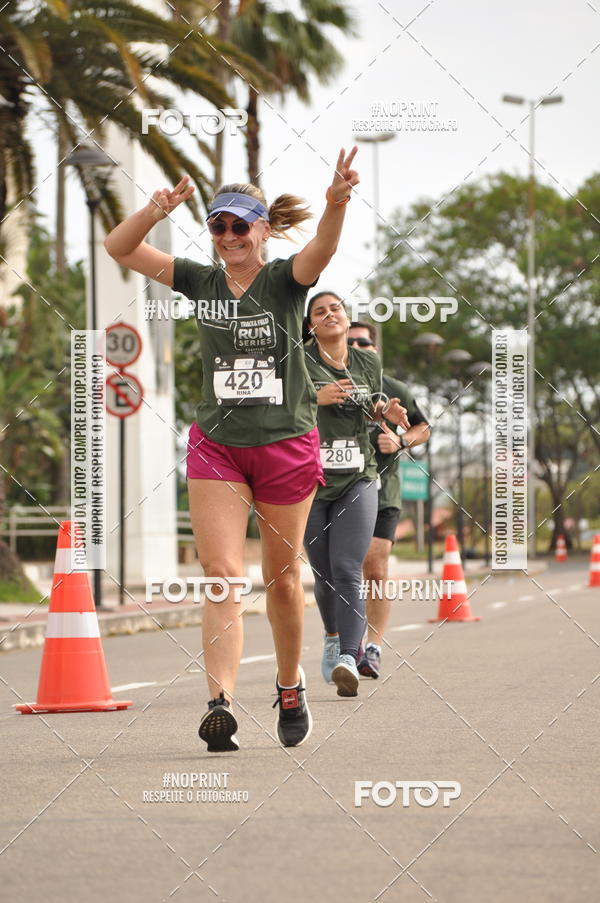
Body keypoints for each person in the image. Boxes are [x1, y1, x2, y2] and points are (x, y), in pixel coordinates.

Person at [104, 147, 360, 751]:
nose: (227, 236)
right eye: (218, 225)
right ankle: (219, 700)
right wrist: (154, 209)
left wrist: (336, 202)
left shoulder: (284, 280)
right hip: (217, 445)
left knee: (280, 579)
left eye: (239, 225)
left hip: (285, 445)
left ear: (262, 230)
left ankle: (290, 683)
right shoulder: (200, 280)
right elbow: (120, 248)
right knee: (221, 577)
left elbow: (321, 249)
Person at [302, 294, 410, 697]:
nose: (330, 314)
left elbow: (371, 406)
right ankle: (332, 638)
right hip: (308, 480)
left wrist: (387, 414)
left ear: (347, 320)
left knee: (348, 566)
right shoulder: (298, 360)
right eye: (319, 311)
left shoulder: (368, 363)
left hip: (357, 476)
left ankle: (350, 655)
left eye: (336, 309)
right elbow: (275, 407)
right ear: (311, 326)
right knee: (323, 573)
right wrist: (315, 397)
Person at [347, 321, 430, 678]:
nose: (356, 348)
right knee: (341, 572)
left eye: (363, 342)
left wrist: (400, 442)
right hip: (336, 491)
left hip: (383, 491)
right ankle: (343, 645)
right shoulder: (327, 387)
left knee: (375, 567)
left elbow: (422, 427)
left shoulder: (394, 389)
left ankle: (373, 647)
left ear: (375, 349)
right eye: (349, 343)